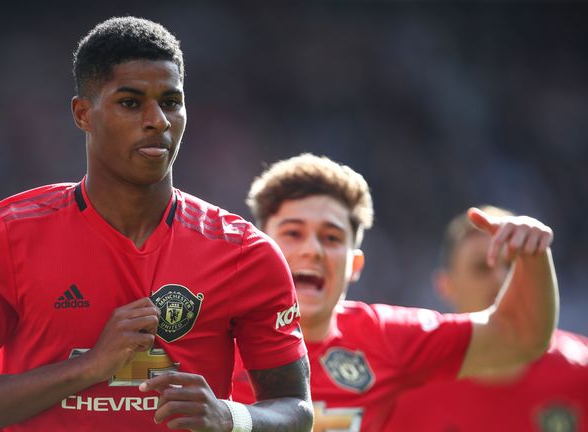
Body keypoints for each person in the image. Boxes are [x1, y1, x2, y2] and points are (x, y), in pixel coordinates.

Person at [0, 17, 313, 432]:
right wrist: (89, 368)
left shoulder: (244, 253)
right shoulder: (10, 236)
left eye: (171, 101)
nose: (157, 119)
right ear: (83, 114)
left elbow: (297, 411)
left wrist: (230, 417)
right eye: (130, 102)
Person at [230, 153, 558, 432]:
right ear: (261, 251)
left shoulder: (385, 337)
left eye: (331, 237)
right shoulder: (211, 331)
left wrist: (533, 258)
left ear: (355, 265)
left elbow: (520, 335)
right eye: (293, 232)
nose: (312, 249)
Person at [385, 206, 588, 432]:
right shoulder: (406, 395)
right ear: (447, 286)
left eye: (511, 265)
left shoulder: (581, 372)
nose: (501, 278)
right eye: (482, 267)